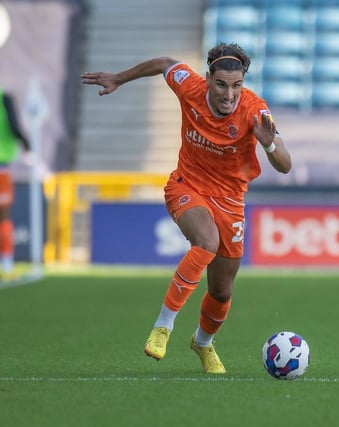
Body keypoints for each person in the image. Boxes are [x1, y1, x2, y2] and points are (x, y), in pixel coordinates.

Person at [80, 43, 292, 374]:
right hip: (187, 186)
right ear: (208, 79)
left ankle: (203, 344)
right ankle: (163, 326)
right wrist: (120, 78)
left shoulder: (255, 110)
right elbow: (165, 62)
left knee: (222, 292)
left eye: (236, 85)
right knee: (205, 242)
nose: (229, 94)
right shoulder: (189, 87)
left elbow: (285, 165)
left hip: (231, 201)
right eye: (221, 84)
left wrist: (267, 142)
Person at [0, 87, 30, 280]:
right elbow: (14, 126)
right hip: (2, 166)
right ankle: (7, 265)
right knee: (3, 216)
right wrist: (29, 147)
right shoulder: (5, 98)